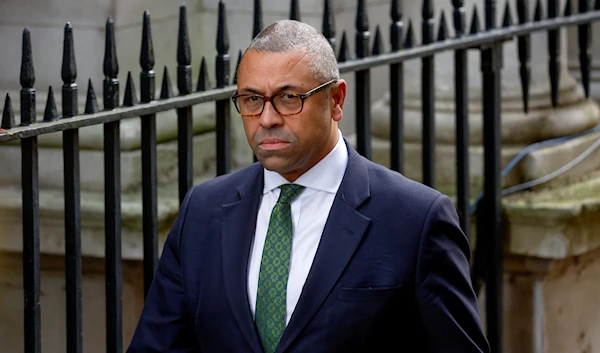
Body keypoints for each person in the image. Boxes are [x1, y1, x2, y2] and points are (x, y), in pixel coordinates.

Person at [127, 20, 489, 353]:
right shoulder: (202, 211)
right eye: (252, 99)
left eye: (289, 97)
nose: (267, 118)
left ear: (335, 100)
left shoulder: (416, 220)